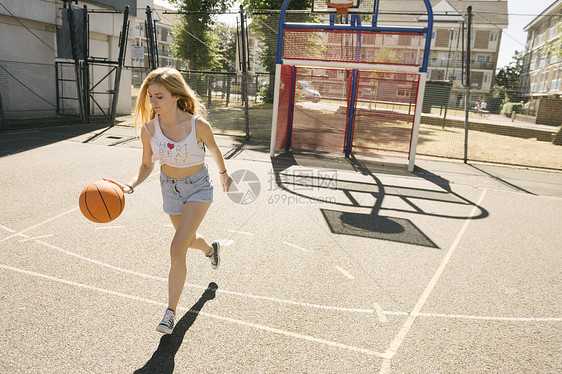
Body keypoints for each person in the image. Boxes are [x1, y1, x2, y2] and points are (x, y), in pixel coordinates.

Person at [107, 67, 233, 335]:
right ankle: (210, 249)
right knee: (187, 240)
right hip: (170, 188)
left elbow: (214, 150)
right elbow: (145, 165)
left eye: (159, 96)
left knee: (177, 248)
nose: (153, 102)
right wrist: (130, 184)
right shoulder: (150, 130)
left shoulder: (198, 125)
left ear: (177, 96)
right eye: (150, 96)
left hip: (198, 188)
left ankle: (169, 313)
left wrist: (223, 174)